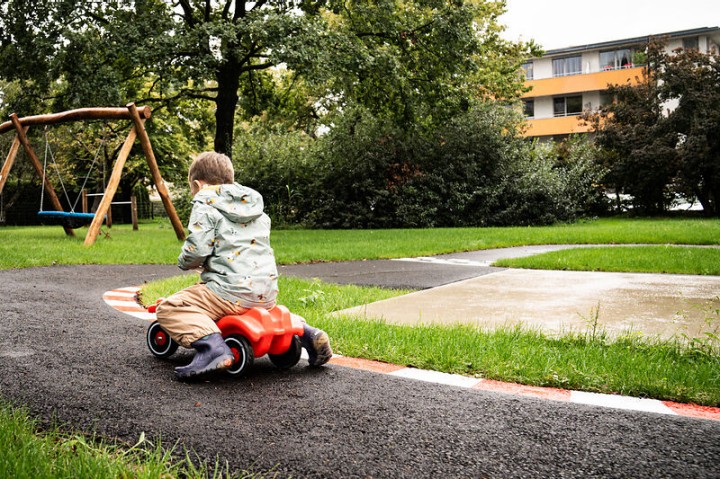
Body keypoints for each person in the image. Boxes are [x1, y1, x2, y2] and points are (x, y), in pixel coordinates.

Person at [155, 151, 332, 379]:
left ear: (198, 185)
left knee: (170, 307)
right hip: (265, 292)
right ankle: (308, 333)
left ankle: (213, 348)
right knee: (267, 310)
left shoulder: (205, 204)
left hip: (228, 291)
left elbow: (197, 250)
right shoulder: (254, 208)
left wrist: (184, 262)